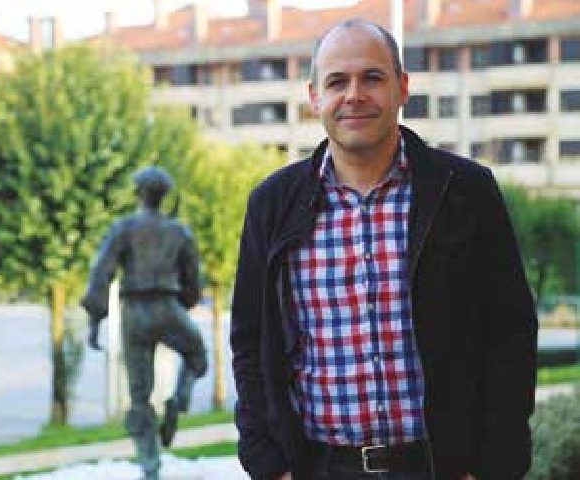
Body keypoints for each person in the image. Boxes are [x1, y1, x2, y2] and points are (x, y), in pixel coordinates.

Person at [230, 18, 538, 480]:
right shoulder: (272, 205)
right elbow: (250, 344)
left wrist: (492, 467)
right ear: (314, 96)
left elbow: (511, 333)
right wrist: (269, 466)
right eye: (337, 82)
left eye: (372, 78)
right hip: (319, 467)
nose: (354, 95)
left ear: (402, 87)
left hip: (440, 468)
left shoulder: (465, 190)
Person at [81, 166, 207, 480]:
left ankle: (150, 467)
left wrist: (95, 319)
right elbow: (193, 280)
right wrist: (184, 303)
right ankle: (178, 398)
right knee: (196, 355)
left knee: (139, 395)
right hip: (168, 306)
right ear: (164, 196)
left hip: (135, 311)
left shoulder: (123, 228)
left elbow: (101, 271)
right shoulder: (179, 231)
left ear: (138, 193)